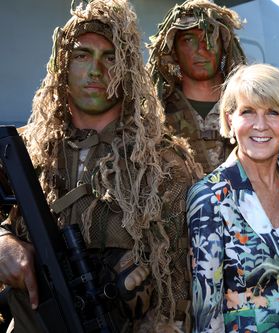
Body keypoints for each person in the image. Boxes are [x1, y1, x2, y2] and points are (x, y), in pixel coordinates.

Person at [0, 0, 200, 332]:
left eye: (111, 58)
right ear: (62, 66)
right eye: (82, 56)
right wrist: (3, 240)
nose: (96, 71)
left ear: (129, 72)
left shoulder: (162, 162)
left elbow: (183, 286)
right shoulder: (25, 151)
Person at [187, 64, 279, 332]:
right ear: (230, 120)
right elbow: (207, 314)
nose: (260, 125)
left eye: (273, 112)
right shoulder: (210, 197)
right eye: (248, 112)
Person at [147, 0, 246, 174]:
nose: (201, 49)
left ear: (223, 47)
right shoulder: (155, 116)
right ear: (174, 52)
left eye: (210, 38)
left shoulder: (250, 108)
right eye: (188, 40)